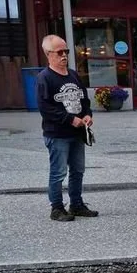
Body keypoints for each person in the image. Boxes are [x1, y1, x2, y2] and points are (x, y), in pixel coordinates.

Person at [36, 35, 98, 222]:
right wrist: (70, 119)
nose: (64, 55)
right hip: (58, 134)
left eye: (66, 51)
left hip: (77, 133)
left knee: (78, 170)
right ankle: (56, 208)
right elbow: (45, 108)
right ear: (48, 54)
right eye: (59, 52)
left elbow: (84, 99)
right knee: (58, 172)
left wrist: (88, 114)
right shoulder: (44, 78)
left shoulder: (73, 74)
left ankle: (76, 204)